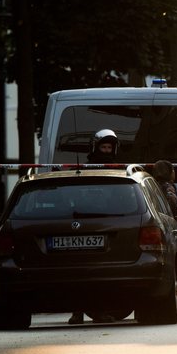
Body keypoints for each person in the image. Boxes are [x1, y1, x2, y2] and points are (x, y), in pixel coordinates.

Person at [69, 128, 121, 324]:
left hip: (107, 224)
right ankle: (77, 311)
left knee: (102, 273)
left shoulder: (118, 169)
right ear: (96, 147)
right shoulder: (86, 167)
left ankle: (100, 311)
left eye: (109, 147)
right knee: (80, 272)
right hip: (84, 223)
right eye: (103, 147)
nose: (106, 151)